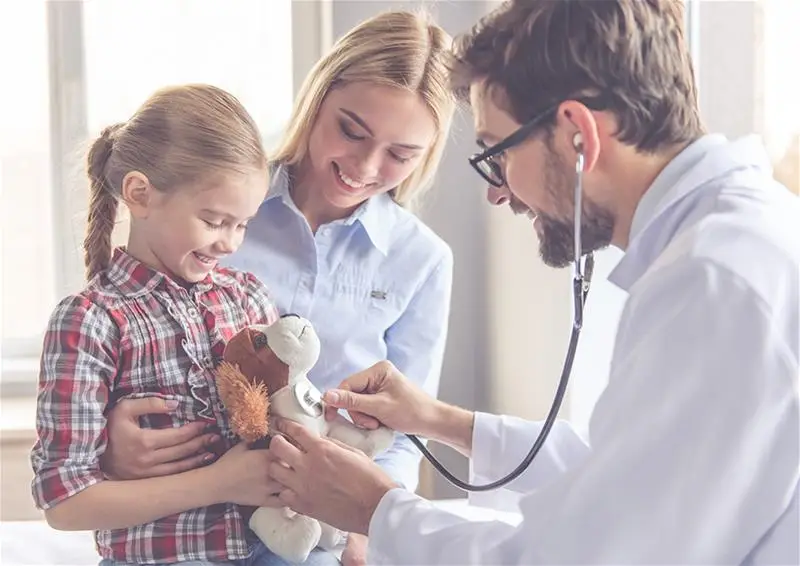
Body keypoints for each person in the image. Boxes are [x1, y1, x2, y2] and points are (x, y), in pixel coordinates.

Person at [256, 0, 800, 564]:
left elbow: (585, 553)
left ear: (578, 137)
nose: (498, 193)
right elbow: (620, 472)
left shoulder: (713, 282)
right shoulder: (733, 241)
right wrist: (440, 420)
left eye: (498, 154)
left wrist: (380, 512)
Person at [97, 10, 457, 566]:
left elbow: (405, 432)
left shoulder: (423, 261)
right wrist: (111, 441)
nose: (364, 166)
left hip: (319, 525)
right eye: (350, 131)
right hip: (191, 513)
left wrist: (365, 529)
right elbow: (122, 334)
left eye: (400, 155)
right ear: (317, 101)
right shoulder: (218, 205)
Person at [30, 84, 290, 565]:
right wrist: (217, 483)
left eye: (243, 224)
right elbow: (64, 501)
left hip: (269, 550)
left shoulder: (248, 296)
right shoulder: (90, 320)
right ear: (140, 195)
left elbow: (281, 418)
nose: (230, 243)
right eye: (214, 220)